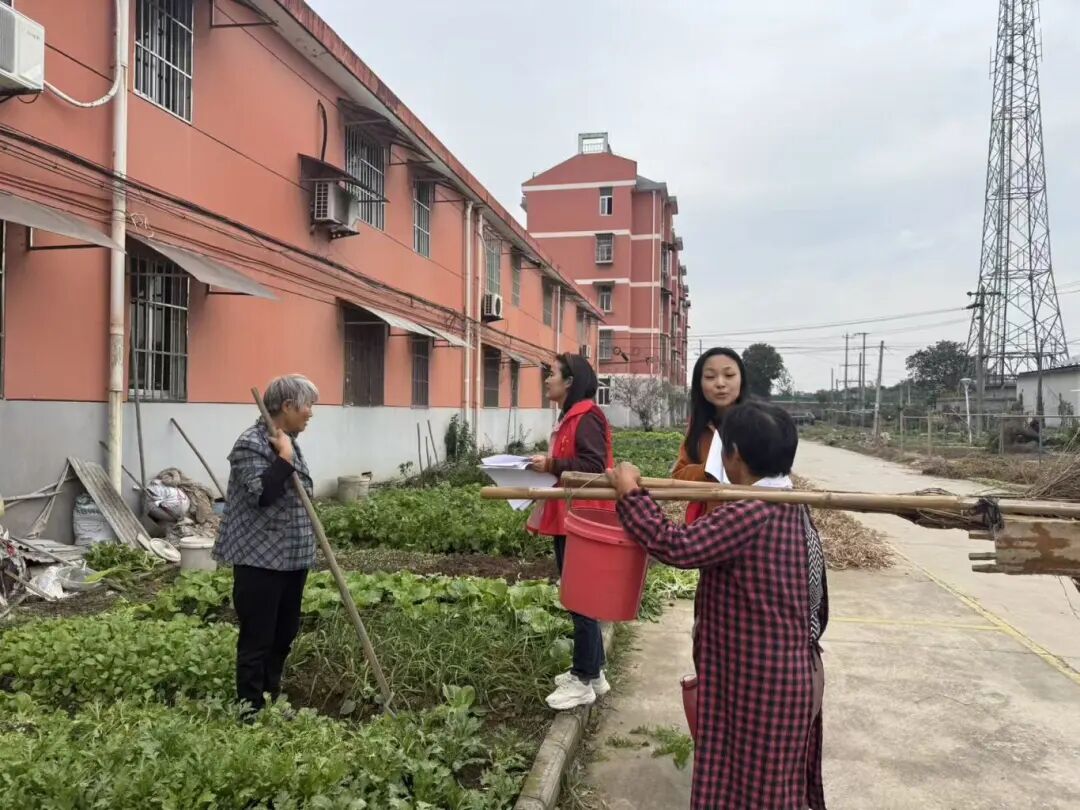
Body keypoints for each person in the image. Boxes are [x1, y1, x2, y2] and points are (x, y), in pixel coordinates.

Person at [609, 401, 828, 810]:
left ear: (734, 455)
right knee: (764, 784)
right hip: (788, 674)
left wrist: (630, 494)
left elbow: (676, 545)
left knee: (758, 792)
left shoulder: (751, 511)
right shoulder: (792, 503)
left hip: (763, 686)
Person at [214, 373, 320, 716]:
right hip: (259, 559)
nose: (311, 413)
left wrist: (287, 451)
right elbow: (263, 495)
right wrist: (284, 458)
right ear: (287, 406)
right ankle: (250, 708)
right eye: (307, 406)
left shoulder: (286, 438)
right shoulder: (250, 444)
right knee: (258, 637)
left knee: (284, 632)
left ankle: (270, 696)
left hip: (292, 557)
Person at [527, 353, 615, 710]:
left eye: (552, 374)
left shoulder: (587, 417)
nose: (546, 379)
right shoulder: (570, 417)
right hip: (570, 517)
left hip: (582, 518)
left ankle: (582, 679)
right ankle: (595, 673)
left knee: (580, 597)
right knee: (578, 594)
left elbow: (593, 466)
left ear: (569, 382)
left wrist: (551, 464)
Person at [672, 347, 750, 524]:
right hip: (710, 525)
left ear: (742, 380)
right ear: (699, 384)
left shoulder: (758, 423)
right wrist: (709, 469)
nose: (720, 383)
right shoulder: (699, 426)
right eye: (710, 377)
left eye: (729, 375)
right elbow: (678, 477)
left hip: (750, 521)